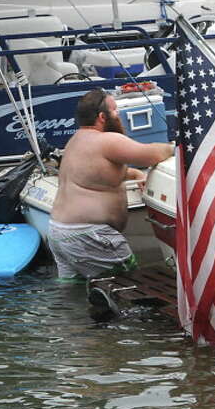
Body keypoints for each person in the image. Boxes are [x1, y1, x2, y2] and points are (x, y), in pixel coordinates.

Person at [49, 89, 174, 280]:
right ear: (102, 117)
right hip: (89, 235)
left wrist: (134, 174)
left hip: (59, 232)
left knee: (74, 294)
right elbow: (153, 154)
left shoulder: (75, 141)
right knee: (127, 286)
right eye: (115, 110)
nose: (119, 115)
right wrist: (175, 146)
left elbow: (98, 175)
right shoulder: (106, 140)